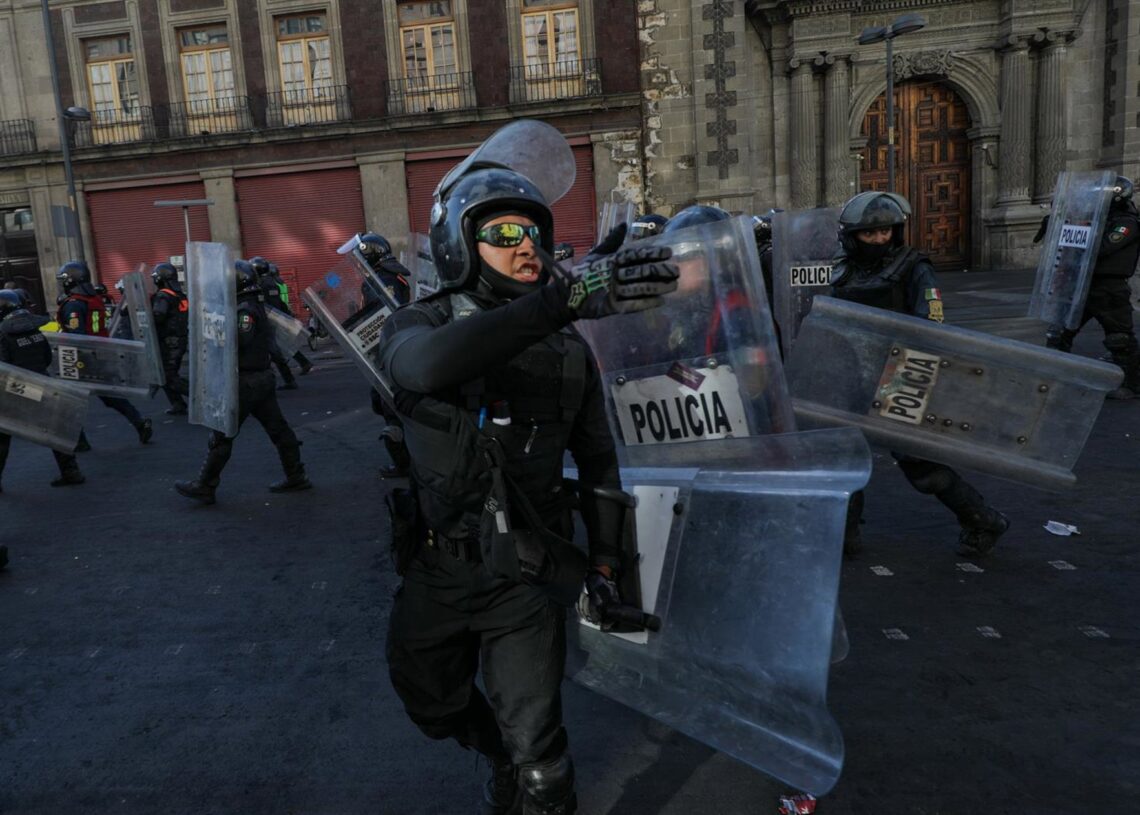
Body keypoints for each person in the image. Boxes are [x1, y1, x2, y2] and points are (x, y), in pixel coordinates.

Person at [377, 161, 677, 814]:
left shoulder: (569, 348)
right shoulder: (418, 324)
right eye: (504, 233)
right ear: (460, 244)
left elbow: (599, 465)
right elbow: (422, 368)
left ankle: (524, 770)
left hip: (526, 573)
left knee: (540, 755)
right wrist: (558, 302)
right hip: (439, 566)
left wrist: (607, 568)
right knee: (431, 703)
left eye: (534, 233)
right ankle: (498, 754)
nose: (525, 247)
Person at [830, 192, 1009, 557]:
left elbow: (930, 324)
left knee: (918, 463)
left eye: (885, 232)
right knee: (846, 454)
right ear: (852, 236)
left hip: (902, 370)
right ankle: (844, 535)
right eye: (869, 233)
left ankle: (983, 519)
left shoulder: (914, 267)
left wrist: (911, 374)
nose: (879, 239)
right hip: (854, 371)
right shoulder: (844, 270)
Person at [175, 260, 312, 504]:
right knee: (278, 429)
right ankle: (296, 475)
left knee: (223, 433)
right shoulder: (252, 304)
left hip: (247, 382)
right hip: (260, 379)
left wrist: (216, 334)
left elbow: (241, 339)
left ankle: (205, 485)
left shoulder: (245, 310)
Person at [1041, 176, 1140, 399]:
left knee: (1119, 339)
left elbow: (1102, 248)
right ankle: (1054, 377)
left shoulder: (1126, 223)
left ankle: (1132, 385)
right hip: (1079, 284)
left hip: (1108, 288)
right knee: (1058, 333)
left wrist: (1082, 228)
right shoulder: (1095, 220)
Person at [56, 261, 153, 450]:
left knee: (69, 400)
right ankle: (139, 422)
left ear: (71, 280)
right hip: (101, 353)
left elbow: (76, 336)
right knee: (111, 395)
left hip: (80, 358)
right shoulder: (95, 299)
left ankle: (79, 442)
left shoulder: (74, 304)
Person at [0, 289, 85, 491]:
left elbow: (3, 367)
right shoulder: (35, 331)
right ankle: (71, 472)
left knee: (2, 435)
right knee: (55, 430)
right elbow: (47, 358)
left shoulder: (3, 336)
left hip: (16, 388)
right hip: (42, 384)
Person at [356, 232, 414, 477]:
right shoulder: (392, 274)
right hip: (398, 345)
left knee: (390, 406)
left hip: (387, 349)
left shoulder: (381, 279)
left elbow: (380, 316)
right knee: (384, 402)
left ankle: (405, 464)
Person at [250, 256, 314, 389]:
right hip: (277, 317)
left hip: (269, 320)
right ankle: (303, 363)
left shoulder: (262, 285)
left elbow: (263, 304)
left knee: (274, 350)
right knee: (283, 344)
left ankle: (288, 379)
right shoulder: (272, 283)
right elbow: (279, 302)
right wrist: (286, 315)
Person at [151, 262, 191, 415]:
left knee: (169, 376)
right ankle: (177, 403)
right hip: (178, 339)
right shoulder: (179, 295)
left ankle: (202, 397)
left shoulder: (163, 295)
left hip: (169, 341)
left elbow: (158, 315)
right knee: (165, 374)